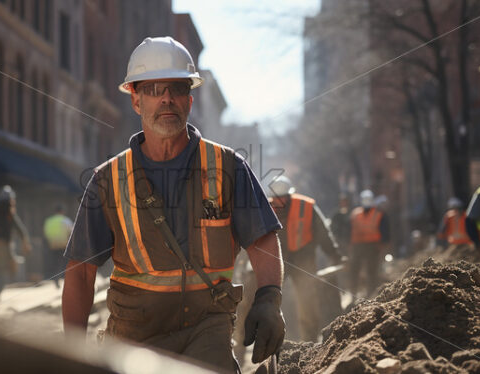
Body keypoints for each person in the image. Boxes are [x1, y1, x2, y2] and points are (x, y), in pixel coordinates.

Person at [62, 36, 285, 372]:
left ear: (189, 101)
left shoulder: (227, 167)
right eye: (153, 89)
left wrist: (269, 299)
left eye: (176, 88)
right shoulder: (107, 180)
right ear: (136, 101)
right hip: (133, 335)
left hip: (206, 329)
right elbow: (80, 273)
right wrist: (72, 355)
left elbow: (263, 240)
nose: (166, 98)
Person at [235, 176, 341, 350]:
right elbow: (252, 236)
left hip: (301, 259)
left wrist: (334, 253)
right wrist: (334, 253)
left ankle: (309, 343)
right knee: (252, 296)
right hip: (277, 258)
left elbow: (322, 232)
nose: (279, 202)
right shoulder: (267, 207)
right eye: (277, 200)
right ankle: (241, 340)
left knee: (306, 301)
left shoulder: (302, 206)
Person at [0, 186, 32, 305]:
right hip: (2, 245)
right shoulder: (9, 211)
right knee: (1, 271)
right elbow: (20, 229)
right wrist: (26, 242)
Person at [347, 189, 390, 297]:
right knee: (355, 270)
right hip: (358, 246)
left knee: (372, 271)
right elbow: (349, 229)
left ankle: (371, 294)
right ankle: (354, 293)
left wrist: (383, 245)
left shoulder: (379, 214)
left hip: (372, 246)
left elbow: (385, 231)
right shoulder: (355, 214)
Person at [43, 204, 74, 287]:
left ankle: (56, 278)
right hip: (63, 245)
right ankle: (65, 279)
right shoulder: (65, 220)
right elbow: (72, 232)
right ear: (62, 211)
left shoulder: (49, 221)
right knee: (64, 262)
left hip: (52, 245)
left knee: (55, 262)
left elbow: (46, 232)